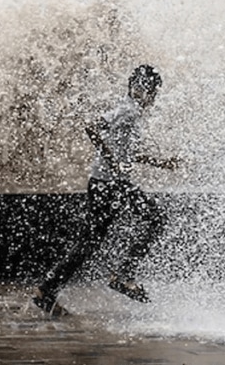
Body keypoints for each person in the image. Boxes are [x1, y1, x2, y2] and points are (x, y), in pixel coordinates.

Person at [33, 64, 179, 316]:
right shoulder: (129, 111)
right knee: (155, 219)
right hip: (110, 185)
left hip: (105, 184)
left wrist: (161, 163)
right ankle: (122, 276)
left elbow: (127, 152)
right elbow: (91, 127)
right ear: (141, 89)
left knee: (90, 243)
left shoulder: (129, 111)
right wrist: (111, 161)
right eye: (152, 91)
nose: (154, 97)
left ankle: (47, 290)